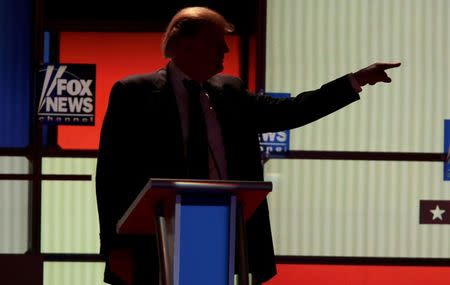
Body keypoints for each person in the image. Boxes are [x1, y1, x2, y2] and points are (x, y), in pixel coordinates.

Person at [95, 6, 401, 285]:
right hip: (157, 235)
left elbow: (292, 110)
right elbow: (111, 174)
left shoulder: (230, 91)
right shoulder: (133, 93)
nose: (226, 49)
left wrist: (355, 80)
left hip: (219, 226)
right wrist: (113, 246)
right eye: (217, 42)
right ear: (184, 43)